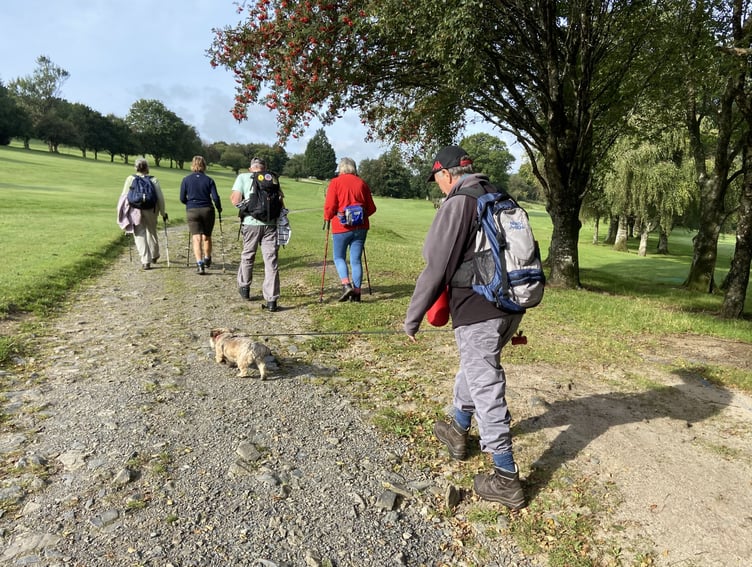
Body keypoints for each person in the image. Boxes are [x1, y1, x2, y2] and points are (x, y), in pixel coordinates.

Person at [404, 146, 526, 510]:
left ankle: (506, 477)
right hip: (511, 305)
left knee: (486, 382)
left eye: (437, 179)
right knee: (476, 367)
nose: (439, 186)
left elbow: (435, 266)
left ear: (446, 174)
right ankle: (458, 430)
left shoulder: (458, 202)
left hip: (478, 308)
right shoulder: (500, 195)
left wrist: (413, 317)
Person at [231, 157, 284, 312]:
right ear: (264, 167)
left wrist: (246, 208)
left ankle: (245, 288)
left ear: (251, 168)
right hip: (271, 224)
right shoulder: (272, 178)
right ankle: (272, 300)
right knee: (271, 261)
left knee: (248, 255)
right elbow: (280, 201)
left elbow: (235, 200)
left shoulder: (243, 177)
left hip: (250, 223)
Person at [323, 157, 377, 302]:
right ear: (354, 168)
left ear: (340, 168)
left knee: (339, 257)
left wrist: (327, 217)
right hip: (361, 227)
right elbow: (372, 208)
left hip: (341, 228)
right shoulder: (362, 183)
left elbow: (330, 206)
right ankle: (357, 293)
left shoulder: (335, 182)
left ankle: (346, 285)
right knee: (356, 260)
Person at [117, 158, 167, 271]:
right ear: (147, 168)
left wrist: (124, 214)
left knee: (139, 233)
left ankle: (145, 261)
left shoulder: (130, 179)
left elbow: (124, 197)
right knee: (152, 231)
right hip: (151, 210)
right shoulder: (153, 180)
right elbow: (160, 198)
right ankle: (154, 255)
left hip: (135, 210)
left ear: (136, 168)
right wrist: (163, 212)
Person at [180, 155, 223, 275]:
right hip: (207, 210)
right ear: (204, 165)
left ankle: (200, 264)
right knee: (207, 236)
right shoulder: (209, 180)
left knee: (196, 237)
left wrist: (189, 203)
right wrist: (219, 208)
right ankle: (207, 258)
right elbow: (215, 197)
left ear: (192, 165)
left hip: (192, 210)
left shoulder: (186, 180)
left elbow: (182, 198)